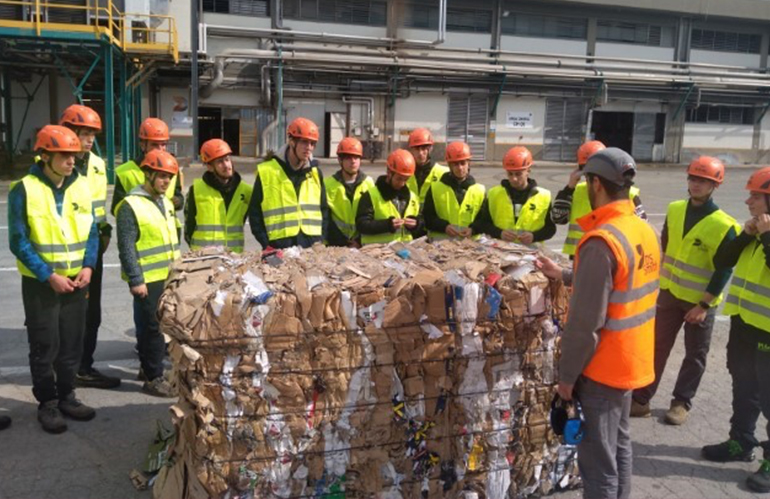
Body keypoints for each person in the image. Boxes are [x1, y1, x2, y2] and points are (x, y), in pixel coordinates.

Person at [537, 148, 660, 499]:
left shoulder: (601, 241)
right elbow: (621, 283)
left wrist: (566, 378)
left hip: (603, 367)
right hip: (632, 361)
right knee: (619, 446)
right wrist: (562, 272)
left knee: (597, 465)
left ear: (595, 183)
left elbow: (584, 324)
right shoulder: (642, 228)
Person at [631, 157, 739, 424]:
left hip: (700, 302)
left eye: (704, 181)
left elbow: (723, 270)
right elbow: (667, 246)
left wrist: (703, 306)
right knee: (656, 347)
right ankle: (642, 398)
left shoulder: (725, 225)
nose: (696, 185)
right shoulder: (675, 209)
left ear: (715, 185)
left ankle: (681, 402)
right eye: (693, 178)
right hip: (669, 294)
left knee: (695, 355)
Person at [8, 125, 99, 433]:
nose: (71, 161)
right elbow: (18, 241)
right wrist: (49, 276)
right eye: (63, 155)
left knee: (72, 344)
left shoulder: (81, 187)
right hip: (41, 285)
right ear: (45, 155)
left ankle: (67, 396)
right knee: (45, 345)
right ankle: (47, 402)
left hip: (76, 281)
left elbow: (91, 232)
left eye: (73, 155)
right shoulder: (24, 189)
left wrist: (88, 266)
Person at [701, 167, 770, 493]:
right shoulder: (755, 231)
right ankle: (740, 440)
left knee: (769, 396)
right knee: (745, 385)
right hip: (744, 322)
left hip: (768, 331)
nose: (748, 201)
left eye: (754, 196)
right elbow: (722, 261)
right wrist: (746, 235)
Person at [58, 104, 121, 390]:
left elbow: (98, 210)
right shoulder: (52, 163)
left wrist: (103, 234)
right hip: (60, 252)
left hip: (90, 250)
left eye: (92, 134)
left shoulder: (96, 164)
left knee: (91, 314)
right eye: (84, 133)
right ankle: (61, 373)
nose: (90, 140)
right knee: (60, 318)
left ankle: (84, 367)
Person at [116, 150, 181, 398]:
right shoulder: (130, 205)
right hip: (147, 279)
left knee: (152, 326)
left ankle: (147, 368)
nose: (166, 182)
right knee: (153, 328)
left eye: (169, 177)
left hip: (167, 276)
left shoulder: (164, 201)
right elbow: (126, 245)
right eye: (162, 176)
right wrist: (136, 279)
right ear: (148, 174)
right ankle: (154, 377)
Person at [552, 140, 647, 258]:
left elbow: (642, 229)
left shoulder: (628, 193)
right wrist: (569, 187)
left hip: (612, 254)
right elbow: (558, 218)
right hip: (579, 255)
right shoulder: (577, 190)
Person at [248, 117, 329, 249]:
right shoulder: (267, 171)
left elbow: (324, 211)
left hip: (310, 247)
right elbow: (255, 213)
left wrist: (321, 240)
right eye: (304, 142)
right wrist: (266, 243)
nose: (308, 148)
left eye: (312, 143)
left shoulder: (315, 173)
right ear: (291, 141)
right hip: (278, 247)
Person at [474, 146, 555, 244]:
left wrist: (534, 236)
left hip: (531, 253)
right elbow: (483, 224)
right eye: (510, 174)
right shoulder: (494, 194)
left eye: (518, 174)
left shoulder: (543, 196)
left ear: (528, 170)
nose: (514, 179)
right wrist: (500, 233)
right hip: (501, 251)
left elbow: (550, 229)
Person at [184, 139, 252, 253]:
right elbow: (188, 227)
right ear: (210, 167)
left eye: (227, 160)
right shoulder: (196, 190)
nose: (226, 165)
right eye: (220, 162)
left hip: (233, 257)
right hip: (203, 259)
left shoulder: (245, 190)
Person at [111, 117, 184, 219]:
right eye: (154, 144)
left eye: (163, 144)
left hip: (168, 230)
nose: (160, 149)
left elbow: (178, 196)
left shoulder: (172, 167)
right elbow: (116, 208)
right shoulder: (125, 172)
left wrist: (178, 201)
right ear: (142, 145)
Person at [356, 149, 423, 244]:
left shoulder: (412, 197)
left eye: (406, 179)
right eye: (399, 179)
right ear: (389, 173)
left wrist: (417, 224)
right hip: (376, 253)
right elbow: (362, 225)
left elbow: (421, 222)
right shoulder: (371, 195)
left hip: (405, 252)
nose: (402, 183)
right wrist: (387, 225)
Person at [423, 141, 485, 240]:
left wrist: (473, 230)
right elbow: (427, 218)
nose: (460, 168)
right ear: (449, 165)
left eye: (463, 163)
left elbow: (484, 220)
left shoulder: (479, 190)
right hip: (441, 246)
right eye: (455, 164)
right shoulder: (435, 188)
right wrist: (444, 227)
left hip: (471, 247)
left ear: (468, 163)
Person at [325, 137, 374, 247]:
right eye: (348, 157)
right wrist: (340, 241)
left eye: (356, 157)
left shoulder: (369, 183)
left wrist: (359, 240)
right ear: (340, 160)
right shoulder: (328, 184)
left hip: (361, 244)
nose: (353, 161)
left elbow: (373, 216)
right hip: (336, 244)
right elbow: (325, 218)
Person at [405, 128, 449, 208]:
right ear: (411, 150)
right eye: (416, 149)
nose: (420, 153)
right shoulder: (404, 172)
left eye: (424, 148)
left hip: (432, 218)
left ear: (430, 149)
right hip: (410, 218)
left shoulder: (443, 173)